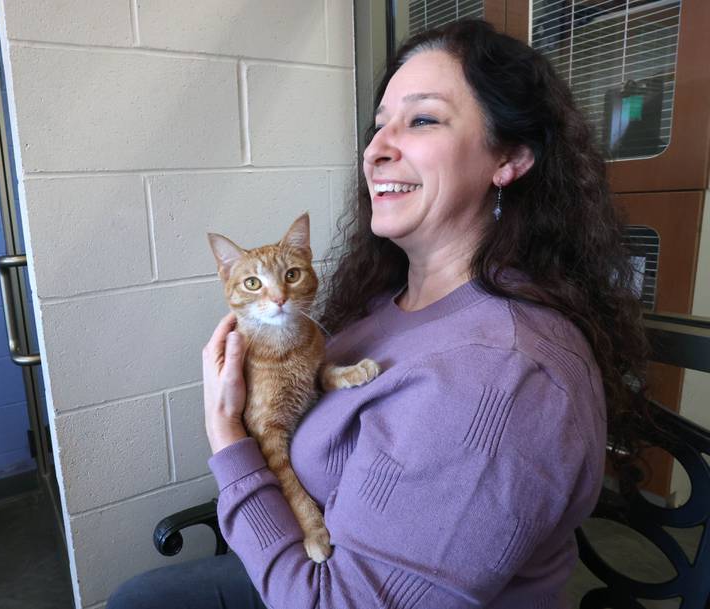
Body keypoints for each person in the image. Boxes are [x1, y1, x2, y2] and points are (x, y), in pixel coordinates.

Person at [108, 18, 649, 609]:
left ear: (510, 158)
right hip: (307, 550)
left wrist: (226, 433)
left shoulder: (499, 375)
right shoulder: (389, 299)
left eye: (421, 119)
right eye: (377, 125)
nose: (376, 149)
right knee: (140, 596)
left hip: (318, 586)